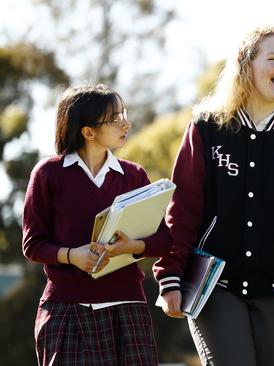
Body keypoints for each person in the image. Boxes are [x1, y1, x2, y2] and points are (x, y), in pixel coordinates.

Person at [153, 25, 274, 366]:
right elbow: (183, 209)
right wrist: (170, 276)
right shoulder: (206, 128)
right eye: (273, 58)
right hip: (215, 286)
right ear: (246, 65)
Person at [22, 84, 170, 365]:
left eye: (123, 114)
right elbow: (33, 244)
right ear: (88, 132)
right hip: (65, 309)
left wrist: (132, 246)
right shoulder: (48, 174)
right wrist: (72, 256)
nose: (125, 123)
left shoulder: (134, 175)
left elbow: (164, 240)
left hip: (127, 309)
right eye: (115, 118)